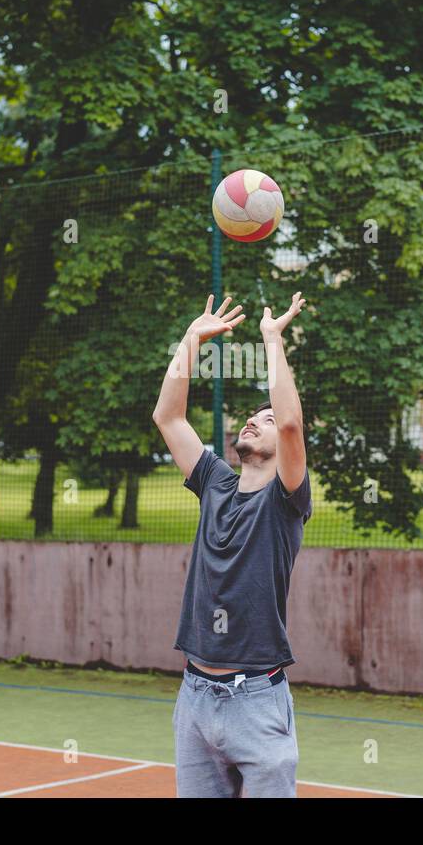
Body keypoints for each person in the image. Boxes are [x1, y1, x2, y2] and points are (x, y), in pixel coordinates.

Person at [152, 291, 312, 798]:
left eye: (262, 421)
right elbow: (169, 418)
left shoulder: (285, 501)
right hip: (195, 696)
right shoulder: (215, 482)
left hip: (256, 700)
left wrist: (271, 339)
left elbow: (290, 422)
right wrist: (191, 340)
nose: (253, 421)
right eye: (250, 416)